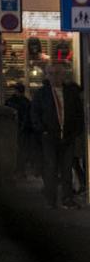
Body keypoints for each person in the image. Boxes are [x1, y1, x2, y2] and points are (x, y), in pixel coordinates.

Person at [32, 67, 85, 210]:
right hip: (49, 137)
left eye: (57, 73)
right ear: (47, 76)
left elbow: (79, 113)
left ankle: (67, 199)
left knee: (67, 169)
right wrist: (43, 130)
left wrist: (76, 131)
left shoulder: (71, 93)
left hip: (68, 136)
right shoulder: (41, 94)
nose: (55, 77)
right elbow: (35, 113)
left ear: (62, 75)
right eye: (52, 74)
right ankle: (51, 200)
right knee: (51, 168)